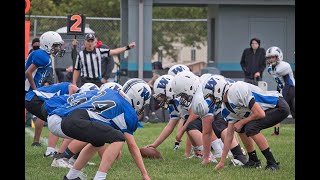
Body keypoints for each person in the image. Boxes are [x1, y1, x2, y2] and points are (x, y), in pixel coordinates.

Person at [49, 78, 152, 180]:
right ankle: (100, 178)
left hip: (60, 116)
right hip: (70, 120)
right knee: (119, 138)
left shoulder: (111, 92)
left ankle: (71, 176)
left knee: (98, 141)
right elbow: (132, 146)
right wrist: (144, 174)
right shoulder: (128, 112)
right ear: (138, 98)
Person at [207, 78, 290, 171]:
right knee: (241, 128)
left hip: (277, 105)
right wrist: (222, 161)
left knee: (251, 128)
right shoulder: (225, 109)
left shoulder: (236, 90)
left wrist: (242, 122)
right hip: (267, 109)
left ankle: (272, 163)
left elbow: (260, 113)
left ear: (218, 91)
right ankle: (253, 160)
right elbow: (229, 136)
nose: (211, 99)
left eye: (211, 96)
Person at [25, 31, 65, 146]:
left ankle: (37, 142)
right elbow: (28, 72)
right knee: (50, 115)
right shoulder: (43, 57)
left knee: (45, 113)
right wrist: (35, 89)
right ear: (48, 45)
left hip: (31, 91)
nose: (58, 48)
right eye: (55, 45)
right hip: (28, 91)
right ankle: (51, 148)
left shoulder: (43, 55)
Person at [25, 82, 81, 156]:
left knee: (57, 119)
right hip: (34, 99)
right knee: (56, 119)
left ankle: (66, 152)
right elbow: (71, 87)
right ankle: (50, 151)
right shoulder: (78, 90)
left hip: (32, 98)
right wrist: (70, 99)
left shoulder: (68, 87)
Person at [266, 46, 295, 136]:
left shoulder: (284, 66)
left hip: (290, 89)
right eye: (270, 57)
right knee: (278, 109)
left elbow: (287, 83)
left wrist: (282, 95)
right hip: (283, 88)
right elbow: (279, 82)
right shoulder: (271, 68)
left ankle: (276, 132)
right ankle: (276, 131)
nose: (271, 59)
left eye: (273, 57)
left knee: (282, 109)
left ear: (279, 56)